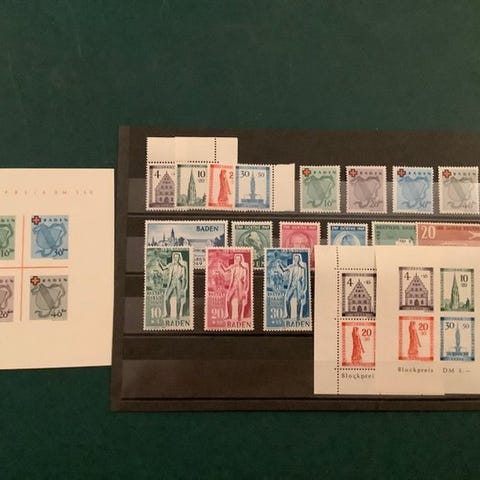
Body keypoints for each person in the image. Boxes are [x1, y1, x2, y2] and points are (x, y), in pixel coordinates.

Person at [276, 253, 307, 320]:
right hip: (292, 284)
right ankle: (288, 315)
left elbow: (304, 280)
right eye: (295, 259)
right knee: (287, 299)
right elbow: (284, 270)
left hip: (299, 284)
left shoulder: (302, 268)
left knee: (299, 300)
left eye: (297, 259)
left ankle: (298, 317)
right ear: (294, 259)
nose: (296, 260)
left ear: (299, 259)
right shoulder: (291, 266)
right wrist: (280, 263)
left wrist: (303, 290)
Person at [219, 254, 248, 320]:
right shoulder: (232, 266)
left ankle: (239, 317)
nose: (237, 260)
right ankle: (229, 316)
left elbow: (245, 280)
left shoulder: (244, 269)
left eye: (238, 259)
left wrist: (245, 290)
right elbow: (225, 270)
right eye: (236, 259)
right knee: (228, 299)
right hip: (233, 284)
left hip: (240, 284)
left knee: (240, 301)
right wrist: (221, 265)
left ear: (240, 260)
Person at [160, 252, 188, 319]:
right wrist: (159, 262)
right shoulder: (170, 265)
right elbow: (163, 268)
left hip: (178, 283)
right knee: (166, 298)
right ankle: (168, 314)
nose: (176, 258)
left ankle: (177, 315)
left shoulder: (182, 267)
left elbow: (184, 279)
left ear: (179, 258)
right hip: (172, 282)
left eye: (177, 257)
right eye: (175, 257)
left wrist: (183, 288)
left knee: (178, 299)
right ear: (173, 258)